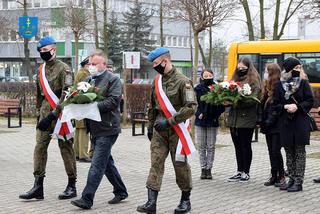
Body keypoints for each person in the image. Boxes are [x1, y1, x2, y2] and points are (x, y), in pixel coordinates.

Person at [137, 47, 197, 214]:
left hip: (178, 130)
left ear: (165, 61)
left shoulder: (182, 81)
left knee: (180, 165)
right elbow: (153, 107)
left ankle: (185, 200)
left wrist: (170, 121)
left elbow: (191, 107)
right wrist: (150, 126)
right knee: (156, 163)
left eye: (156, 63)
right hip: (159, 131)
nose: (154, 67)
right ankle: (151, 202)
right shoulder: (157, 81)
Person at [19, 36, 77, 200]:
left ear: (53, 49)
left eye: (45, 50)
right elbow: (39, 96)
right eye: (40, 51)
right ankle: (38, 186)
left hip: (61, 116)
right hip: (44, 116)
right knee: (40, 148)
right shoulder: (40, 70)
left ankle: (71, 185)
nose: (43, 53)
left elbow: (67, 95)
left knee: (66, 149)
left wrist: (53, 114)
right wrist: (40, 115)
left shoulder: (64, 69)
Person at [71, 50, 128, 209]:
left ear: (104, 64)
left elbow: (113, 102)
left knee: (97, 164)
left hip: (108, 128)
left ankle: (87, 199)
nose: (91, 66)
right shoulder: (90, 79)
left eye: (94, 64)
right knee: (106, 163)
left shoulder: (113, 80)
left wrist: (93, 106)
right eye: (90, 63)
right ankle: (121, 191)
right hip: (94, 128)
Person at [272, 57, 314, 192]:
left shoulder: (303, 83)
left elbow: (310, 100)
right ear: (288, 69)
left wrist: (297, 106)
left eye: (299, 68)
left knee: (300, 151)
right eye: (295, 68)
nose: (298, 70)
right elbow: (275, 104)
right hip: (285, 122)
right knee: (289, 151)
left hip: (300, 121)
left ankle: (298, 181)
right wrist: (285, 107)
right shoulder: (279, 85)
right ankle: (291, 178)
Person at [227, 57, 261, 183]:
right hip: (234, 119)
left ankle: (246, 172)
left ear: (248, 67)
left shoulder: (253, 80)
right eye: (239, 67)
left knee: (245, 146)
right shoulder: (234, 80)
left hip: (247, 119)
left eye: (243, 68)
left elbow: (253, 99)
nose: (240, 69)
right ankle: (239, 170)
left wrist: (236, 101)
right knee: (237, 147)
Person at [194, 69, 224, 179]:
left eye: (210, 75)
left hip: (212, 120)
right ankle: (203, 168)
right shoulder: (197, 89)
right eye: (205, 75)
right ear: (201, 77)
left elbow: (221, 106)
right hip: (200, 121)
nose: (208, 77)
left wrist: (214, 114)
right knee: (201, 146)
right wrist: (198, 113)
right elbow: (193, 103)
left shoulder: (217, 89)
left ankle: (209, 169)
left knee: (211, 146)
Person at [259, 63, 285, 187]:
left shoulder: (279, 86)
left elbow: (277, 106)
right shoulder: (266, 86)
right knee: (270, 150)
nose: (264, 73)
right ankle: (273, 174)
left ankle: (281, 175)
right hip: (267, 125)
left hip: (277, 125)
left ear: (272, 73)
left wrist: (270, 120)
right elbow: (263, 104)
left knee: (276, 150)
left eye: (266, 71)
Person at [73, 57, 92, 163]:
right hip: (83, 104)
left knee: (79, 130)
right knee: (84, 130)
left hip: (78, 104)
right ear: (86, 65)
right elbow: (86, 88)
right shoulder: (85, 74)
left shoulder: (80, 72)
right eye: (90, 64)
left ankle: (76, 153)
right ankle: (83, 155)